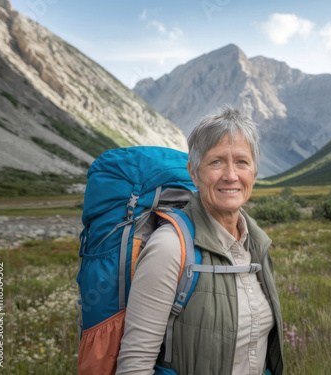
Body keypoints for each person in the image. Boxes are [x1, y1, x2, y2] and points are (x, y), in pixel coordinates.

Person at [116, 106, 284, 375]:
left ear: (254, 172)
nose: (231, 175)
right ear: (194, 173)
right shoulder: (169, 248)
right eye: (216, 161)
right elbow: (134, 366)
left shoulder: (256, 245)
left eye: (242, 161)